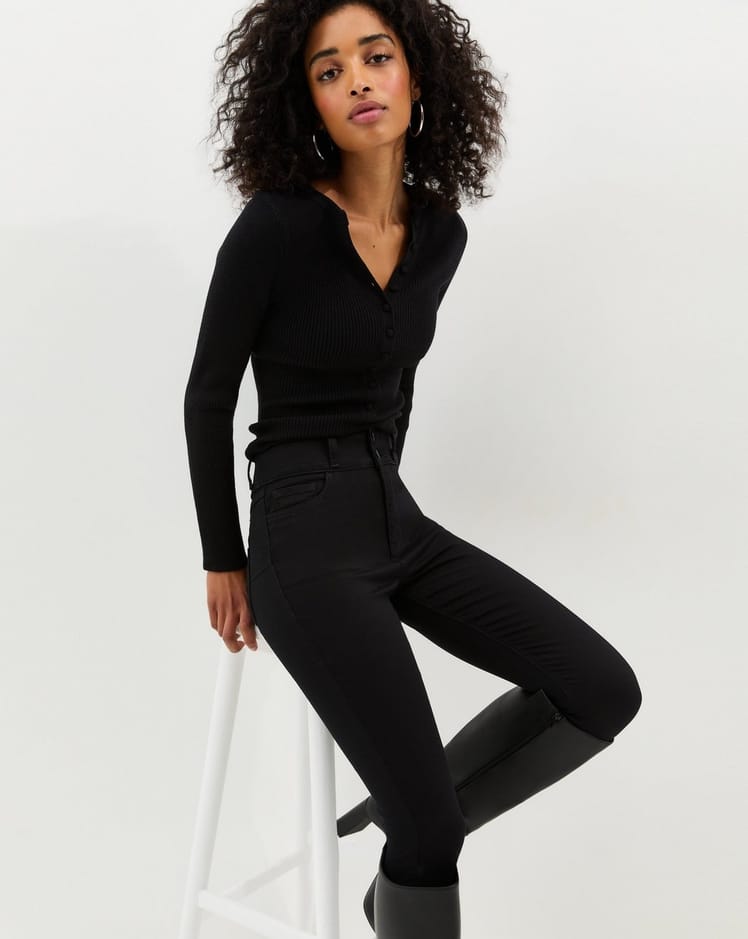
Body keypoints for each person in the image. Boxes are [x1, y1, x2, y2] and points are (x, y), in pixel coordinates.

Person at [183, 2, 642, 936]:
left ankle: (411, 813)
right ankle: (418, 826)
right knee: (432, 835)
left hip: (392, 514)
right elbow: (206, 397)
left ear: (417, 75)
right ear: (307, 104)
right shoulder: (275, 228)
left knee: (602, 688)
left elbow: (398, 385)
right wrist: (223, 556)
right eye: (328, 70)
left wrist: (386, 496)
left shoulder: (440, 234)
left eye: (376, 56)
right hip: (299, 532)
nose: (356, 79)